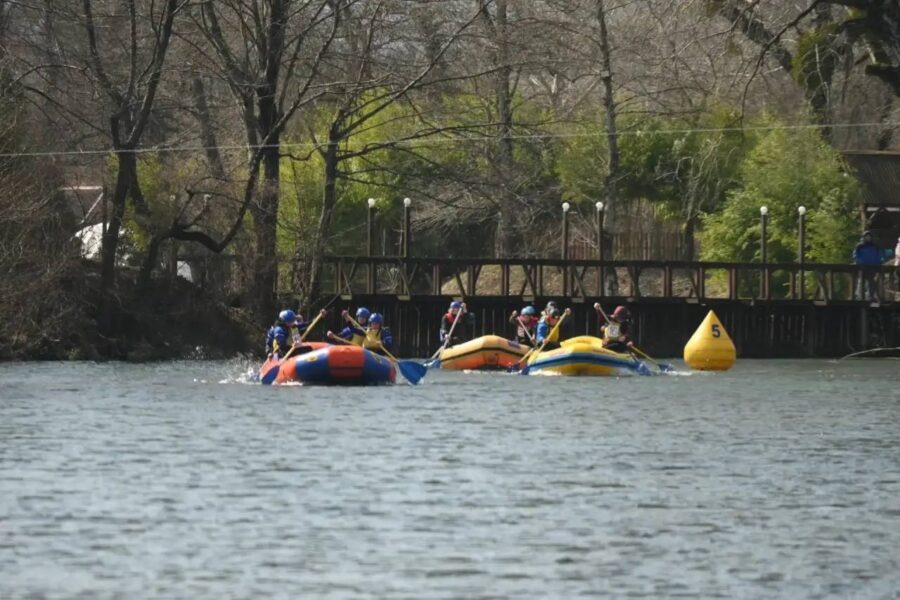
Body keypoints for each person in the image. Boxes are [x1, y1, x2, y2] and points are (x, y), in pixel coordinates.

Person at [853, 231, 881, 301]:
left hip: (872, 267)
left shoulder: (875, 246)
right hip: (862, 267)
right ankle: (859, 297)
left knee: (871, 282)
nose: (868, 238)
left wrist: (877, 264)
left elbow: (878, 256)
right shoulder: (859, 246)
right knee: (861, 282)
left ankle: (870, 296)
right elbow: (855, 255)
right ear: (863, 237)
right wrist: (859, 262)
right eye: (866, 236)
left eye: (869, 236)